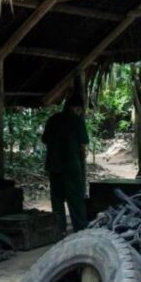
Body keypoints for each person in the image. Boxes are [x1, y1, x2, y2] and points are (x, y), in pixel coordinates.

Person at [42, 93, 89, 235]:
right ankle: (80, 229)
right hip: (71, 166)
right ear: (78, 108)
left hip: (54, 165)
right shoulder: (77, 121)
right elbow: (83, 144)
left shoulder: (53, 119)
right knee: (75, 198)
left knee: (57, 199)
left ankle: (59, 229)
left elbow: (44, 139)